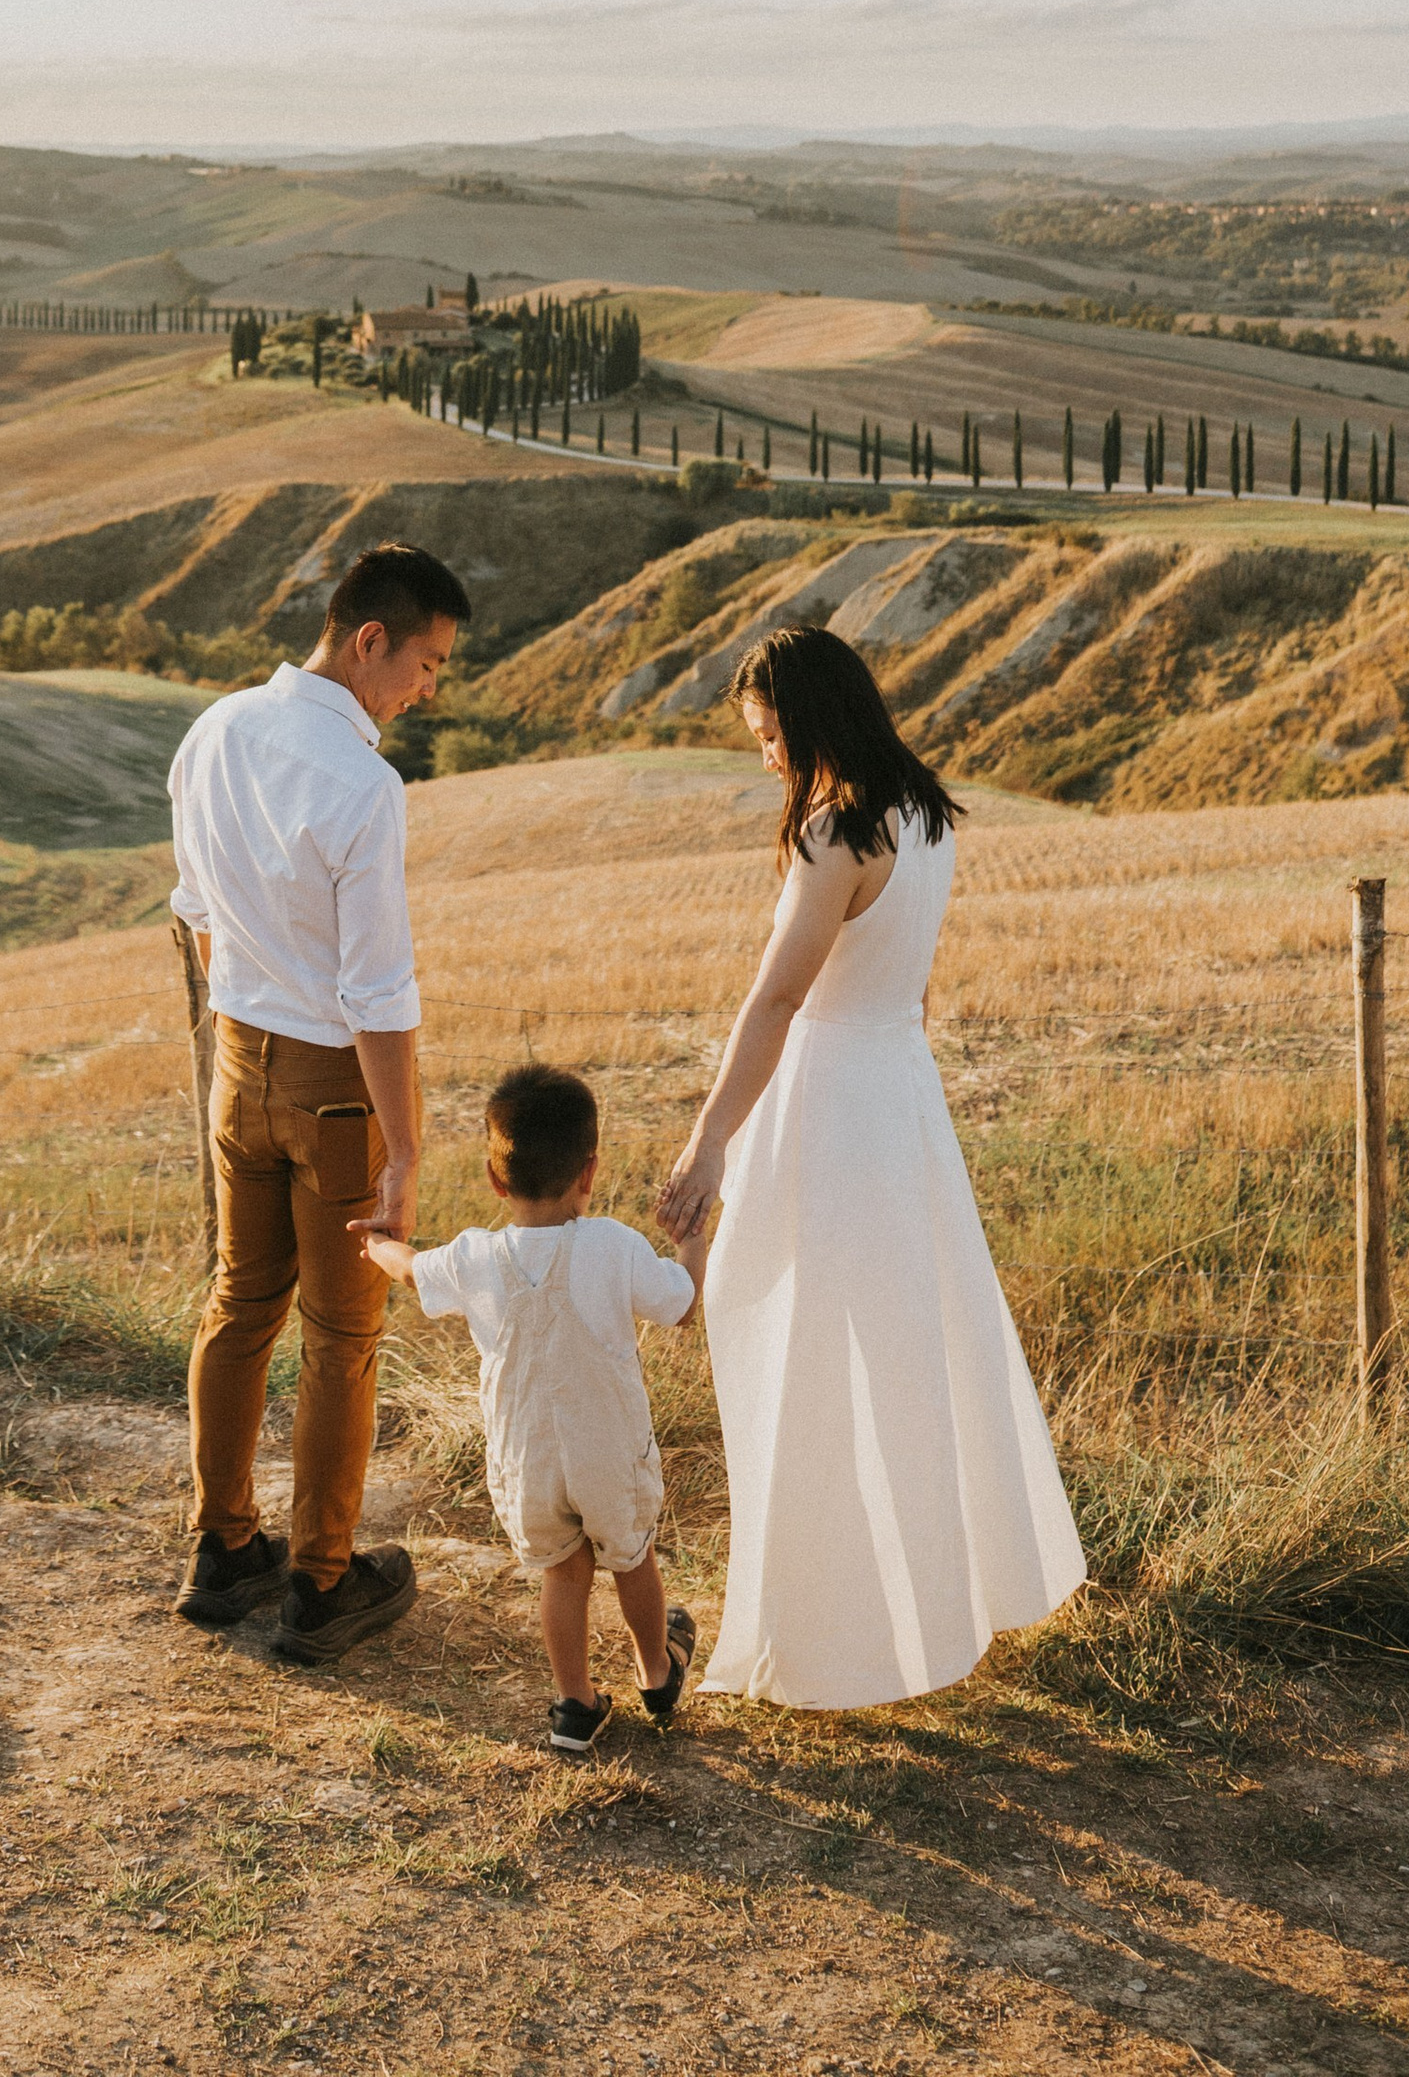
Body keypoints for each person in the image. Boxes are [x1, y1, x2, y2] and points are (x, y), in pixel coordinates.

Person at [656, 623, 1085, 1708]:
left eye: (767, 737)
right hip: (900, 1093)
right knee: (912, 1353)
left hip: (829, 1105)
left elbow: (777, 998)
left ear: (807, 723)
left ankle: (826, 1636)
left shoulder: (836, 833)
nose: (763, 757)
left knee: (796, 1353)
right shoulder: (923, 810)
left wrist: (706, 1145)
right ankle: (929, 1605)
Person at [169, 538, 470, 1665]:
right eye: (427, 664)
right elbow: (378, 992)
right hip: (332, 1084)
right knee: (343, 1335)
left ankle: (220, 1549)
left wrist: (242, 1026)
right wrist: (404, 1147)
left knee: (239, 1303)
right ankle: (320, 1581)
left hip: (235, 1058)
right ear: (369, 639)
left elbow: (197, 913)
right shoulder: (363, 784)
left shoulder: (215, 731)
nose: (428, 689)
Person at [369, 1063, 705, 1757]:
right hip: (609, 1452)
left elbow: (409, 1268)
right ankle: (656, 1670)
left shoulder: (474, 1257)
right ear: (589, 1171)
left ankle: (575, 1706)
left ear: (496, 1181)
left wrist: (376, 1240)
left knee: (563, 1571)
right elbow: (684, 1305)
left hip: (527, 1459)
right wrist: (691, 1239)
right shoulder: (611, 1245)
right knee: (632, 1558)